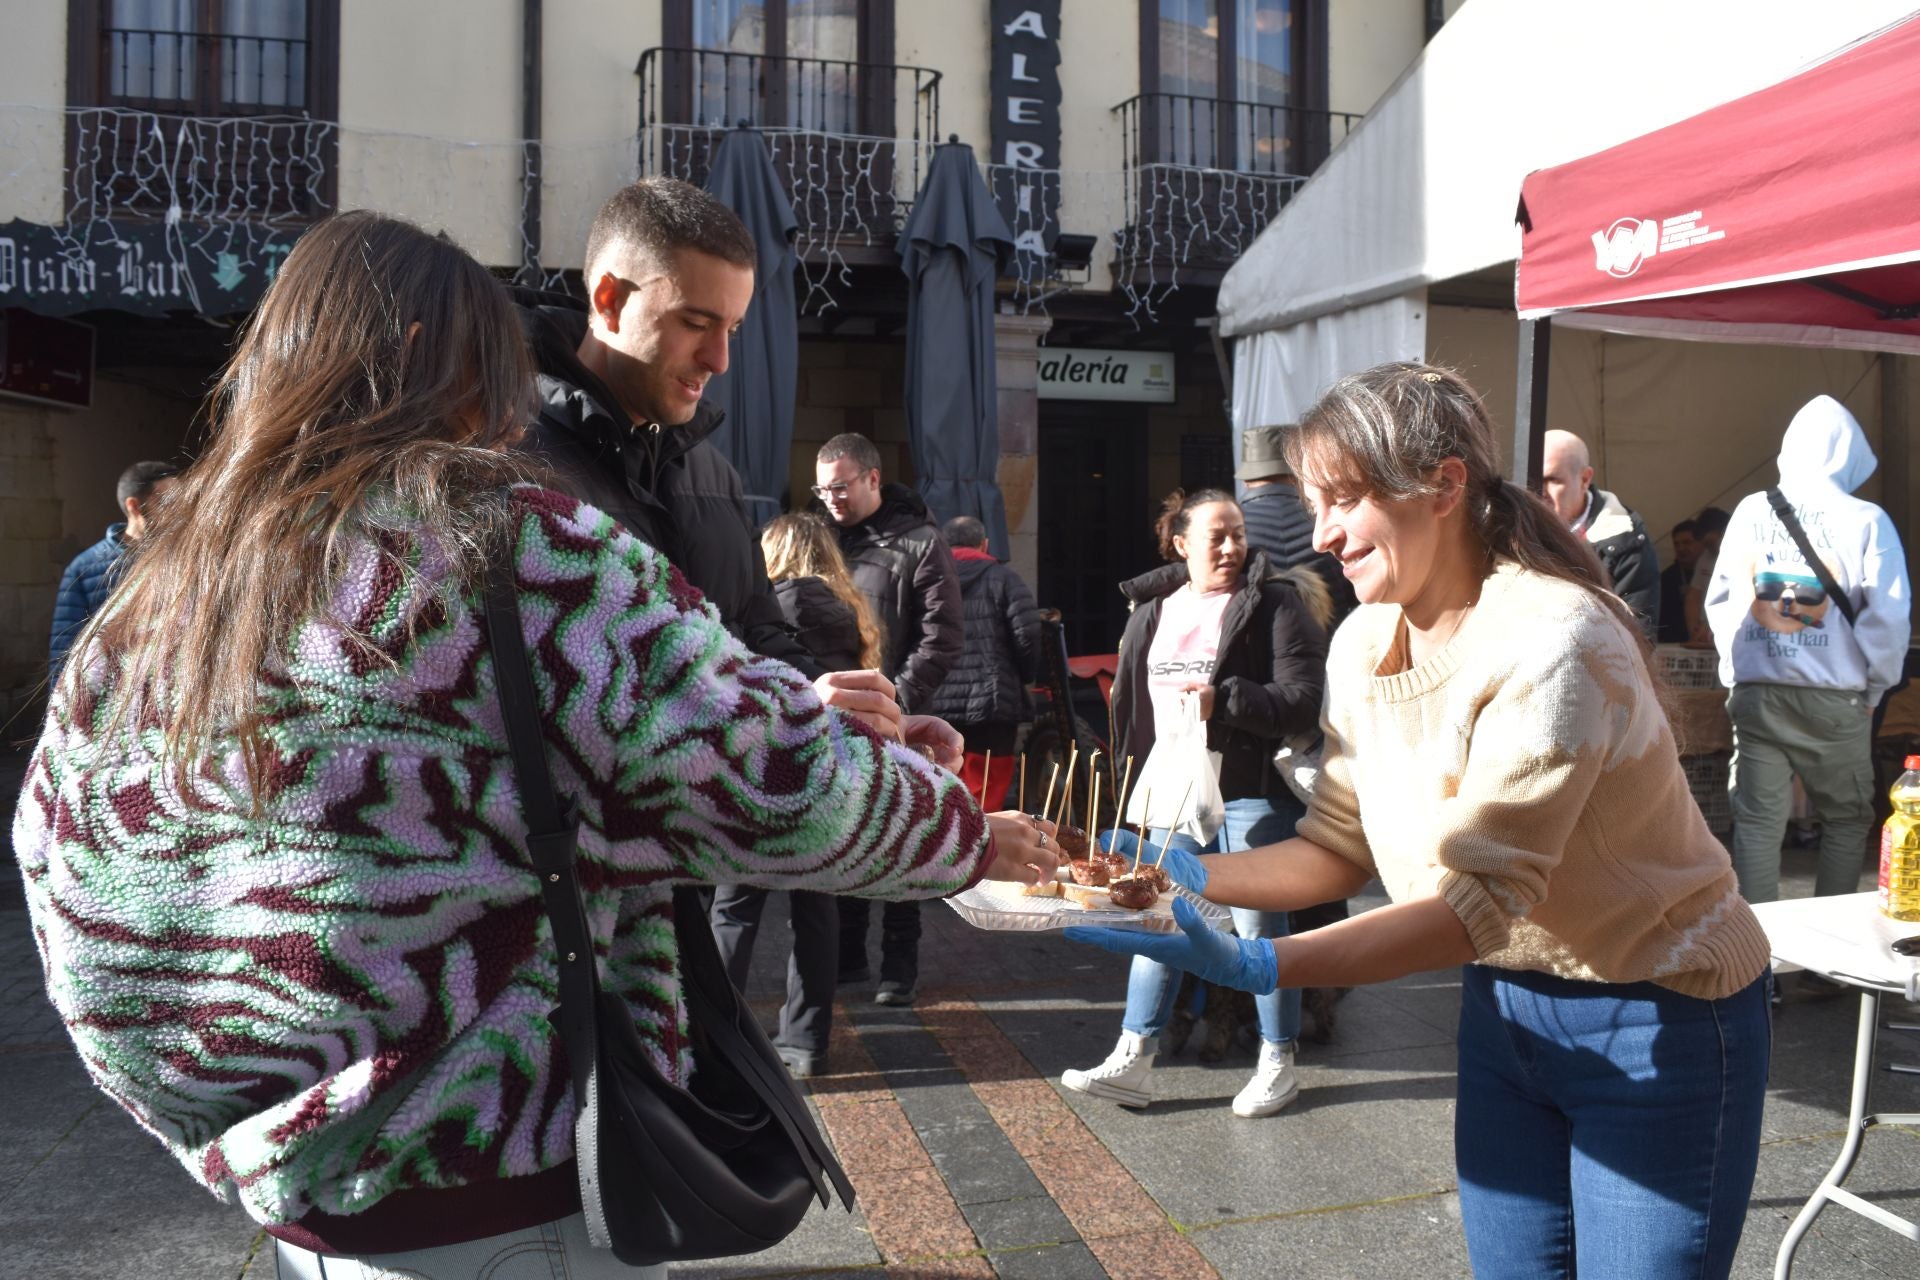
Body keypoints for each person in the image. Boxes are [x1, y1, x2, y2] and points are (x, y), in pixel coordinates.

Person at [11, 212, 1058, 1280]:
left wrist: (221, 1121)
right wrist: (965, 832)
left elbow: (70, 879)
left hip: (303, 1210)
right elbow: (776, 777)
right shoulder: (506, 546)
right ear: (443, 363)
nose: (513, 412)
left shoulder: (163, 589)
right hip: (503, 1174)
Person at [1066, 363, 1771, 1278]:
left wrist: (1259, 963)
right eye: (1314, 504)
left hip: (1661, 1009)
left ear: (1443, 486)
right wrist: (1173, 875)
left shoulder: (1555, 637)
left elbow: (1474, 906)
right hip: (1505, 1010)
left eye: (1344, 500)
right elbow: (1334, 844)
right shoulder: (1364, 639)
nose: (1322, 534)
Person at [1061, 488, 1330, 1119]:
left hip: (1251, 790)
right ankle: (1133, 1056)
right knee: (1158, 915)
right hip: (1172, 790)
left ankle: (1277, 1060)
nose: (1233, 547)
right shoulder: (1150, 613)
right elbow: (1131, 712)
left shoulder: (1274, 603)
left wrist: (1223, 699)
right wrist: (1130, 786)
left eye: (1239, 534)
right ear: (1181, 545)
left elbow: (1303, 699)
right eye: (1218, 537)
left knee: (1260, 928)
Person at [1705, 394, 1912, 903]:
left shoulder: (1751, 509)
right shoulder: (1867, 519)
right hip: (1835, 696)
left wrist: (1736, 672)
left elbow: (1723, 599)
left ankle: (1759, 949)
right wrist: (1876, 689)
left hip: (1757, 692)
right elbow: (1888, 615)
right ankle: (1829, 947)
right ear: (1850, 454)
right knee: (1846, 819)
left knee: (1757, 822)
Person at [709, 512, 889, 1079]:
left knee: (734, 907)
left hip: (770, 771)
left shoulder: (778, 608)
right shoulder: (849, 609)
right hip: (831, 775)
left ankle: (717, 1035)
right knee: (815, 910)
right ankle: (807, 1040)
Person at [814, 431, 964, 1005]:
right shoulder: (820, 539)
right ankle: (849, 956)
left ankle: (899, 968)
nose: (831, 498)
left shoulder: (920, 542)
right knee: (849, 834)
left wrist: (893, 701)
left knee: (907, 837)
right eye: (822, 489)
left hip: (904, 718)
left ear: (873, 478)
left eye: (840, 486)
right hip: (841, 721)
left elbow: (942, 637)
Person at [923, 514, 1044, 810]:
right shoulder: (1005, 579)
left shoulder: (925, 579)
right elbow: (1028, 634)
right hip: (992, 704)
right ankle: (982, 837)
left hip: (937, 701)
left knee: (941, 783)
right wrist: (1024, 676)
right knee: (987, 787)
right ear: (985, 544)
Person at [48, 459, 178, 677]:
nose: (180, 510)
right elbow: (63, 654)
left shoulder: (183, 560)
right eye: (168, 502)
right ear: (134, 507)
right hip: (112, 691)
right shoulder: (85, 568)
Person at [1540, 428, 1660, 637]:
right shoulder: (1509, 529)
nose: (1540, 491)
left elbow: (1638, 638)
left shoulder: (1626, 542)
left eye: (1552, 480)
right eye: (1533, 478)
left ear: (1585, 479)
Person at [1236, 424, 1356, 619]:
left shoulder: (1229, 531)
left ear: (1246, 480)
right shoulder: (1333, 519)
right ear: (1299, 474)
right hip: (1332, 636)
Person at [1685, 504, 1732, 644]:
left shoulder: (1746, 556)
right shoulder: (1705, 558)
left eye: (1711, 543)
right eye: (1706, 545)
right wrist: (1694, 630)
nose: (1710, 549)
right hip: (1707, 635)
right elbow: (1694, 596)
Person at [1657, 518, 1702, 644]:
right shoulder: (1666, 579)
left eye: (1687, 542)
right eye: (1676, 544)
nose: (1681, 548)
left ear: (1702, 543)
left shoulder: (1715, 573)